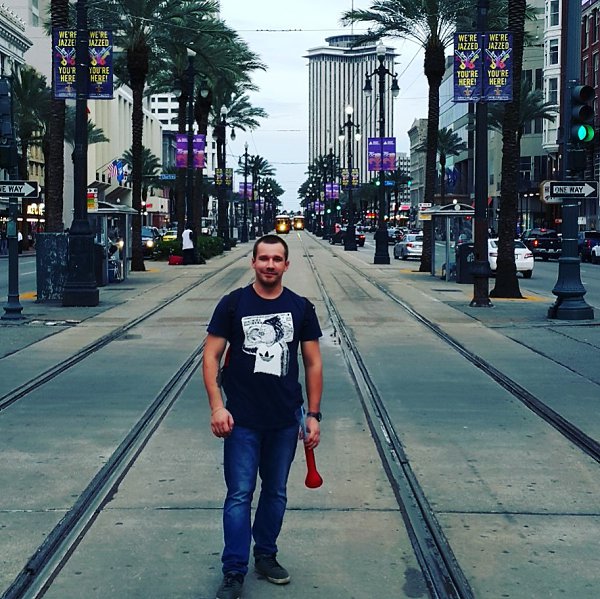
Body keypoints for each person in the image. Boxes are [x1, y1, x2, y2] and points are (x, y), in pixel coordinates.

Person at [203, 234, 323, 599]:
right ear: (253, 262)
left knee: (275, 492)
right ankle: (233, 570)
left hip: (285, 419)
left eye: (276, 259)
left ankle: (266, 555)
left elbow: (313, 362)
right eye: (264, 258)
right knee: (240, 494)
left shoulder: (301, 307)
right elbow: (210, 356)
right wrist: (217, 406)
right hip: (241, 419)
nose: (270, 265)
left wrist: (313, 415)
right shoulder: (233, 304)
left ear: (287, 264)